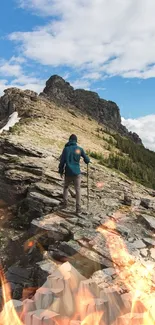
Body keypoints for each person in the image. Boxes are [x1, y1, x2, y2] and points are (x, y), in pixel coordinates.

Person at [58, 134, 90, 215]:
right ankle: (78, 209)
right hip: (77, 173)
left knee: (66, 187)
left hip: (68, 172)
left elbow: (62, 162)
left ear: (69, 140)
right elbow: (87, 160)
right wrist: (87, 160)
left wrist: (61, 170)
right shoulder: (79, 149)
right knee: (78, 190)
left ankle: (65, 204)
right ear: (76, 141)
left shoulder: (66, 149)